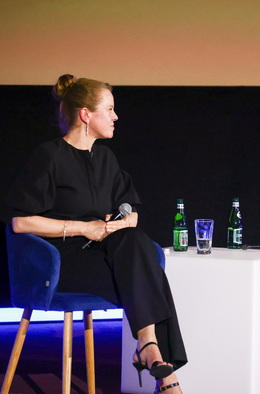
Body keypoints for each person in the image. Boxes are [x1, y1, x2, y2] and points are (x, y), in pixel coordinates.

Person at [7, 74, 187, 394]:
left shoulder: (106, 158)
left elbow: (131, 211)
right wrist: (82, 227)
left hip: (104, 252)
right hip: (60, 261)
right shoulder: (49, 156)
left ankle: (150, 349)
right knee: (147, 273)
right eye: (109, 109)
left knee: (136, 242)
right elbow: (20, 223)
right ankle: (162, 371)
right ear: (85, 114)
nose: (116, 116)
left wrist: (123, 221)